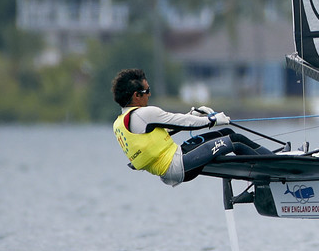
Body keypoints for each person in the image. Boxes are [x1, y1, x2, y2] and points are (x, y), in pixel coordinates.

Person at [110, 68, 270, 186]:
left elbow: (167, 130)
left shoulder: (120, 122)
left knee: (227, 133)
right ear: (136, 96)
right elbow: (181, 121)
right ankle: (271, 167)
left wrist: (194, 115)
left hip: (177, 160)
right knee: (234, 141)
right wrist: (212, 120)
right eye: (147, 91)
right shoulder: (143, 114)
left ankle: (270, 159)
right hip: (180, 165)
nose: (149, 95)